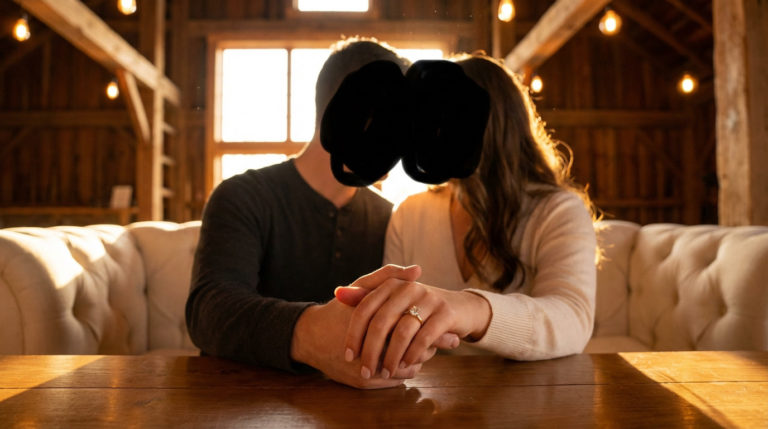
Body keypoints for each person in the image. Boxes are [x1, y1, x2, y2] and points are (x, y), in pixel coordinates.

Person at [186, 37, 455, 389]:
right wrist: (310, 331)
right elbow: (209, 312)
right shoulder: (242, 196)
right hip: (239, 403)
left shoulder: (392, 219)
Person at [336, 53, 599, 381]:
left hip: (532, 399)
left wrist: (468, 309)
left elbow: (572, 320)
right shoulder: (410, 213)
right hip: (429, 396)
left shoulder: (558, 211)